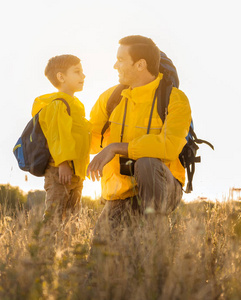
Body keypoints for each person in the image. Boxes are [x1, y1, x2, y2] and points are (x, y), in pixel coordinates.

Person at [87, 35, 191, 228]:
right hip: (120, 195)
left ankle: (155, 236)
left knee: (146, 163)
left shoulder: (174, 99)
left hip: (164, 189)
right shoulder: (110, 98)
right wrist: (59, 133)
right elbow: (91, 141)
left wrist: (116, 148)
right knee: (100, 257)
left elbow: (169, 146)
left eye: (120, 60)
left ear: (140, 64)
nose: (115, 66)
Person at [32, 54, 90, 226]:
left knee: (72, 219)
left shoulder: (74, 104)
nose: (83, 76)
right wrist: (63, 163)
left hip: (75, 172)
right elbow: (58, 136)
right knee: (54, 216)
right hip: (60, 171)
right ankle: (45, 249)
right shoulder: (58, 104)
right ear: (61, 77)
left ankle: (68, 250)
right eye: (77, 72)